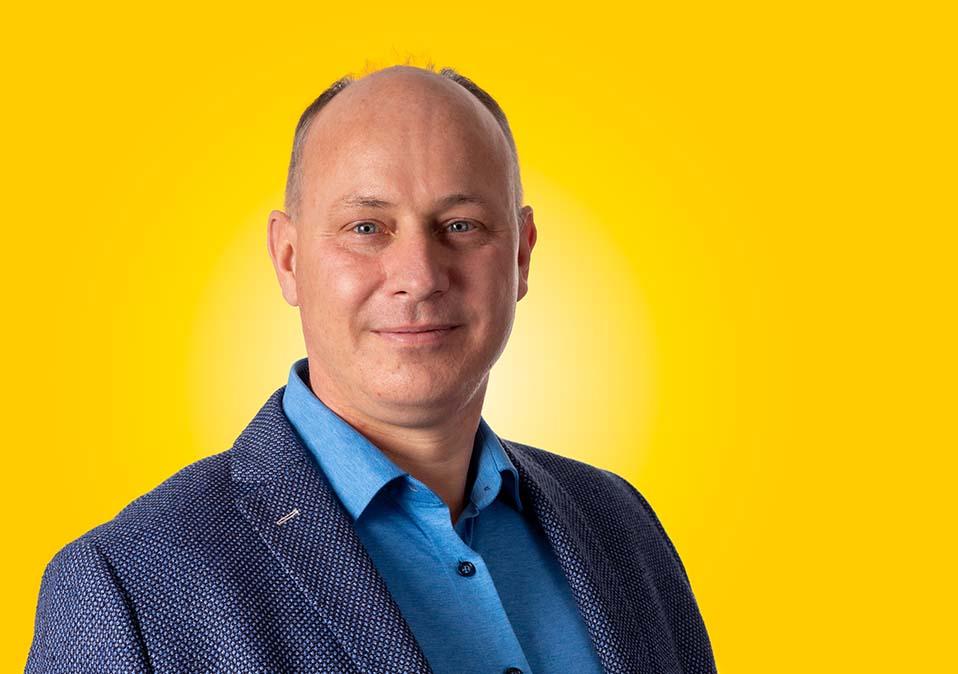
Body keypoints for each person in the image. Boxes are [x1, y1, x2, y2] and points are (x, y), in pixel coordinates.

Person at [25, 64, 717, 674]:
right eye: (366, 228)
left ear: (521, 255)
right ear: (288, 259)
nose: (419, 275)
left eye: (461, 225)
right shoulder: (128, 588)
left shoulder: (620, 525)